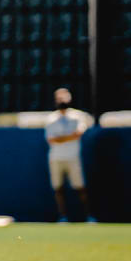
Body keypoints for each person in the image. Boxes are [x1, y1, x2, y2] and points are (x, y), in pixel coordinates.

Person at [44, 87, 94, 223]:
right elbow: (51, 139)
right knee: (58, 188)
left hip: (73, 157)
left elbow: (78, 134)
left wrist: (62, 138)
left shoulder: (78, 116)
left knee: (80, 187)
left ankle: (88, 216)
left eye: (64, 97)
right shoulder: (51, 118)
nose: (62, 100)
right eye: (59, 98)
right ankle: (63, 217)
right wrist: (69, 137)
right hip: (56, 158)